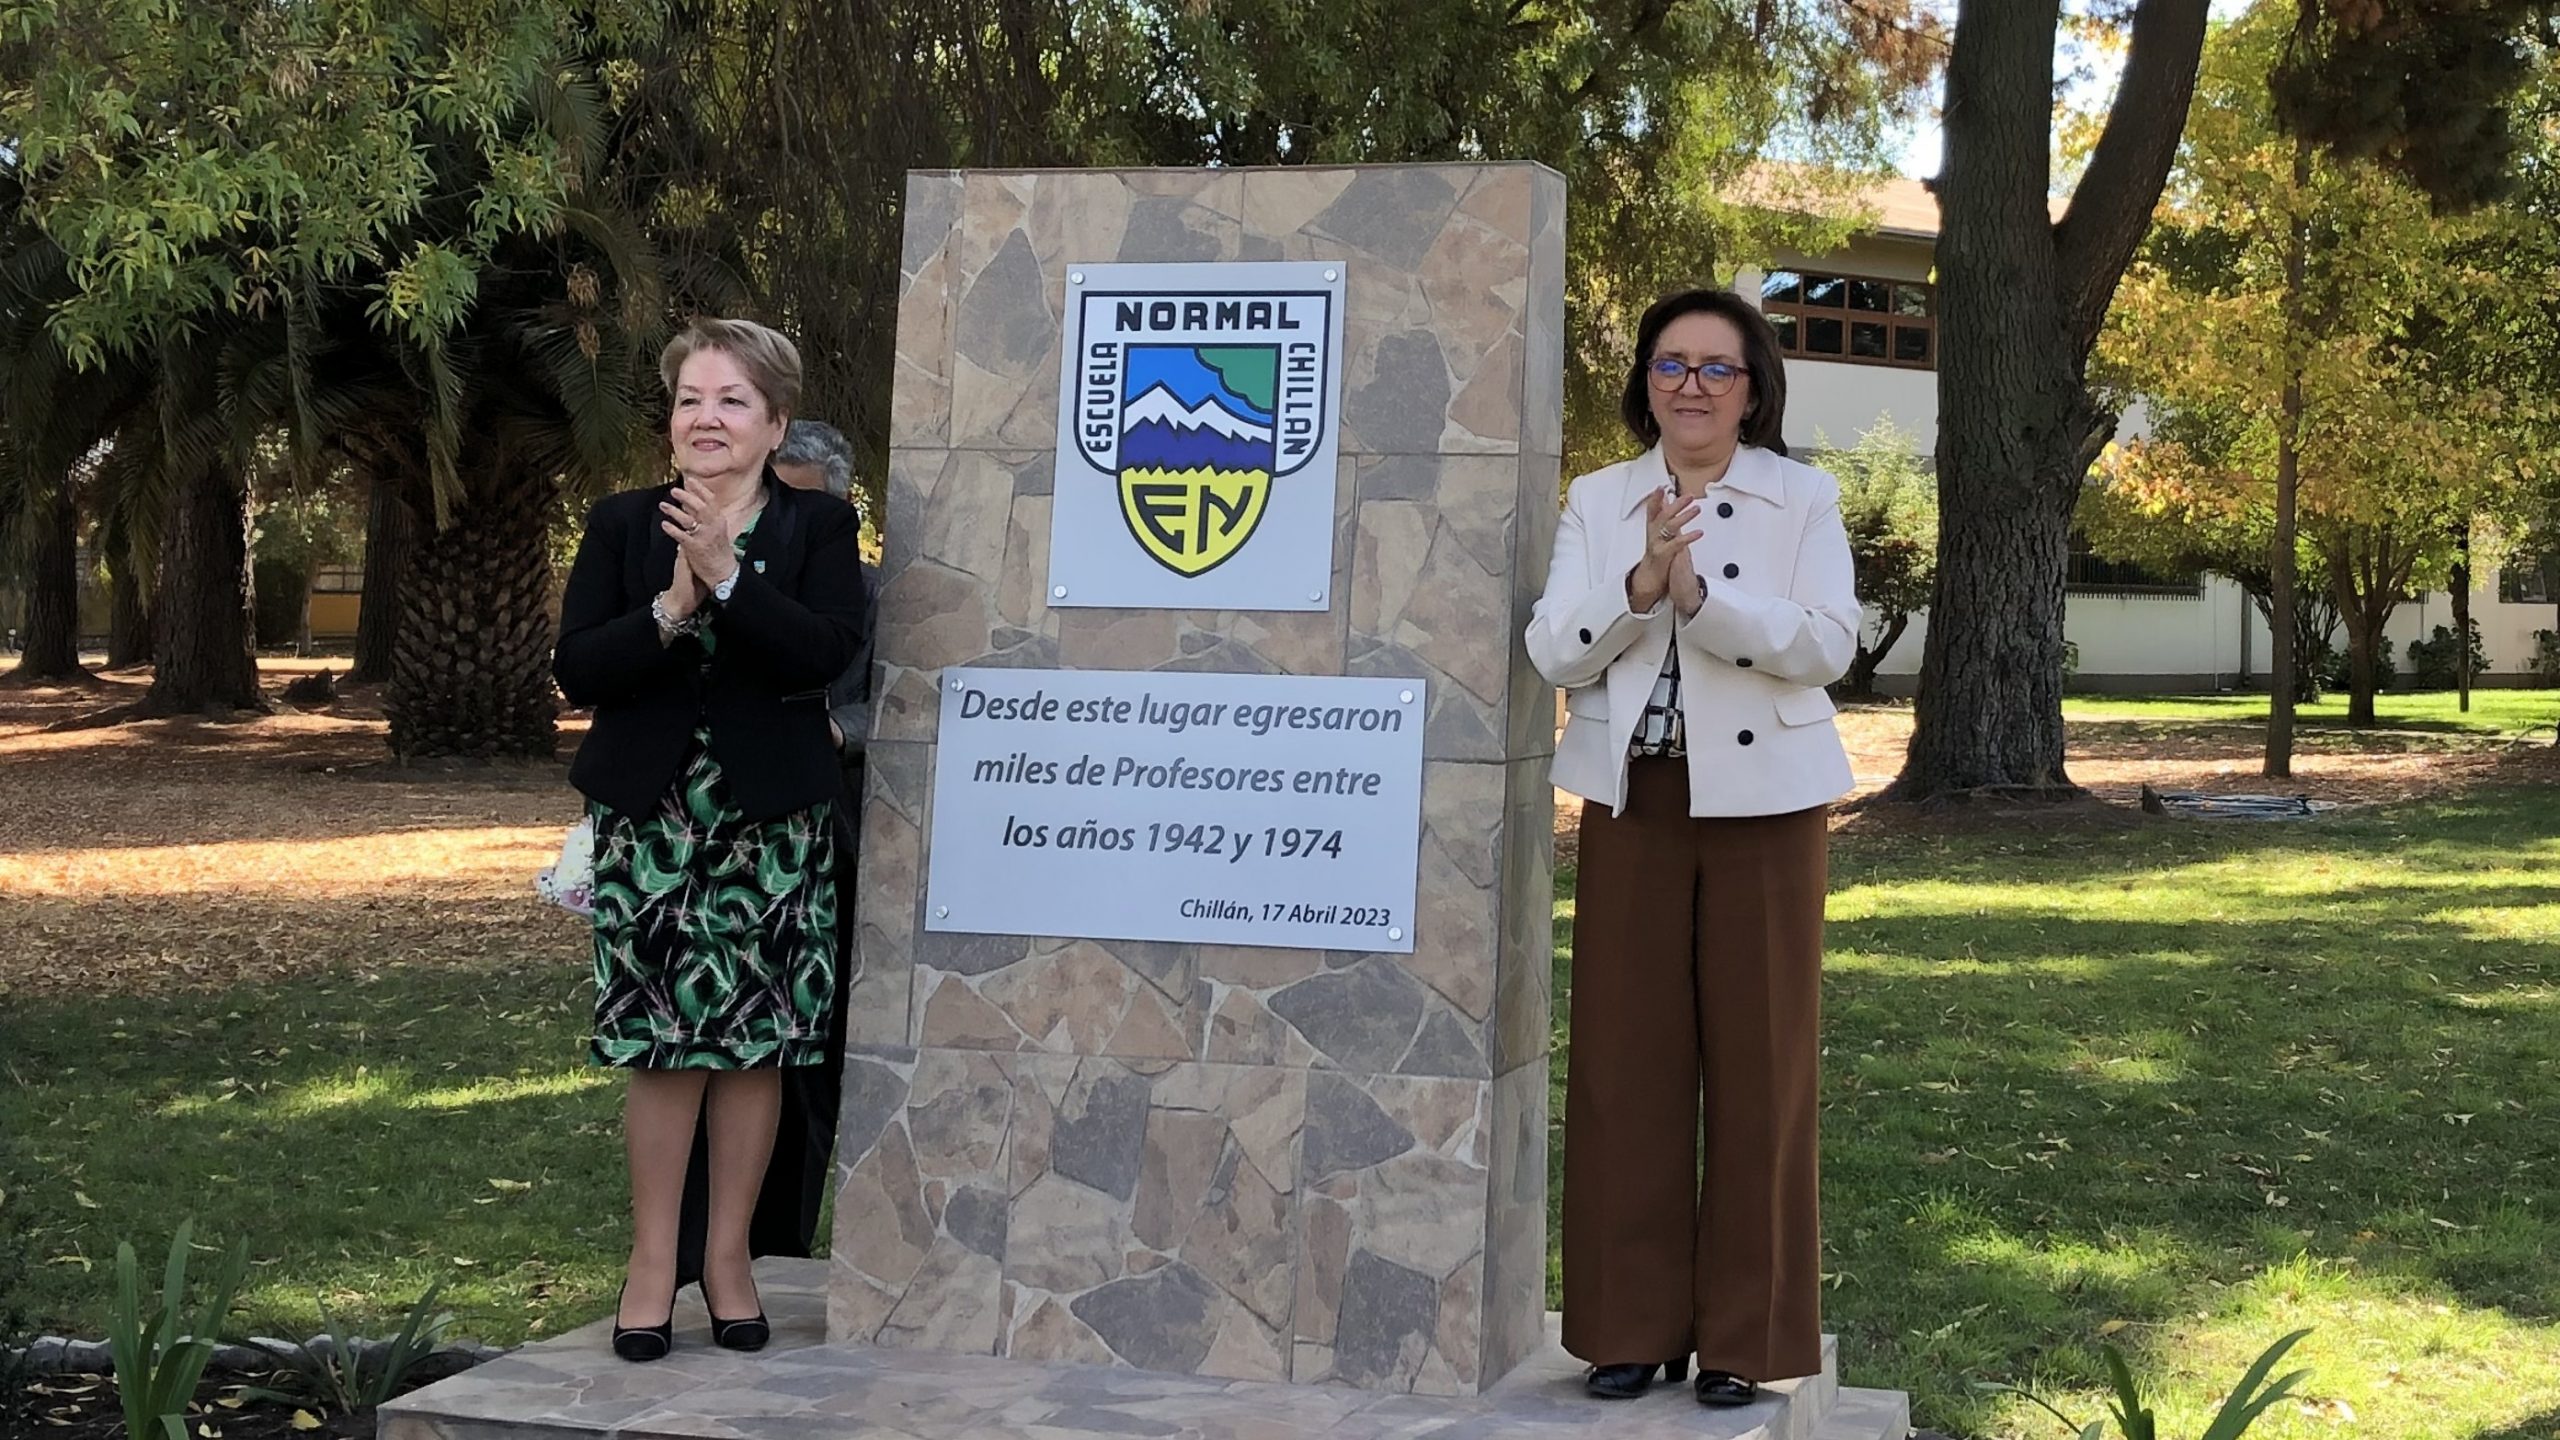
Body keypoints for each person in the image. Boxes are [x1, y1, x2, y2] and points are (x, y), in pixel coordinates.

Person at [1525, 288, 1858, 1407]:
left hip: (1768, 811)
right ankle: (1628, 1327)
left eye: (1717, 368)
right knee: (1624, 1063)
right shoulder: (1600, 495)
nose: (1693, 387)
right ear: (1645, 382)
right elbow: (1551, 651)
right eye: (1672, 366)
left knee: (1764, 1067)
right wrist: (1635, 587)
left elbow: (1827, 644)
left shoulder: (1800, 496)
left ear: (1753, 388)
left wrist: (1703, 598)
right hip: (1634, 804)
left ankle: (1743, 1341)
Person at [554, 317, 868, 1363]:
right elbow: (581, 670)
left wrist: (731, 581)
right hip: (651, 825)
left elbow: (820, 651)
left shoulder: (820, 529)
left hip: (771, 829)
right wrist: (672, 606)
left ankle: (727, 1261)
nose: (707, 418)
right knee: (660, 1047)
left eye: (732, 401)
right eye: (691, 399)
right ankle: (653, 1267)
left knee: (754, 1046)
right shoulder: (622, 524)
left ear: (774, 422)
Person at [659, 417, 881, 1301]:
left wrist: (832, 730)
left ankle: (770, 1257)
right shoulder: (678, 579)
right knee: (685, 1055)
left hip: (825, 844)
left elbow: (896, 702)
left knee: (797, 1066)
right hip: (696, 852)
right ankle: (678, 1268)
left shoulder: (868, 594)